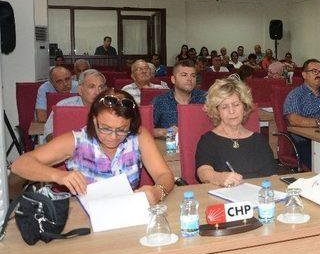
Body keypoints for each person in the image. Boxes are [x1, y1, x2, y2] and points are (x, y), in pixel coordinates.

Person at [11, 89, 175, 204]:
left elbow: (164, 174)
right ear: (93, 120)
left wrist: (157, 192)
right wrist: (58, 176)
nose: (112, 136)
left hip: (127, 213)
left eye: (121, 130)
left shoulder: (138, 136)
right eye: (105, 128)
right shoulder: (77, 141)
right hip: (84, 217)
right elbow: (19, 165)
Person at [196, 78, 277, 185]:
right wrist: (219, 177)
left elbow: (272, 176)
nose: (231, 111)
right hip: (223, 196)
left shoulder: (259, 140)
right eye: (224, 107)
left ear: (244, 107)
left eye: (236, 104)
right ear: (217, 111)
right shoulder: (208, 140)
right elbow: (203, 173)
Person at [44, 69, 106, 140]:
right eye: (91, 87)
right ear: (80, 90)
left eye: (101, 87)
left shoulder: (109, 108)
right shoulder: (64, 107)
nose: (98, 92)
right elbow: (49, 134)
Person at [153, 60, 206, 138]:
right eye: (184, 75)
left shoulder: (206, 98)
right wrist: (163, 132)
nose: (189, 79)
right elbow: (143, 130)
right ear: (173, 79)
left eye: (193, 76)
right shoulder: (160, 101)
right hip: (170, 147)